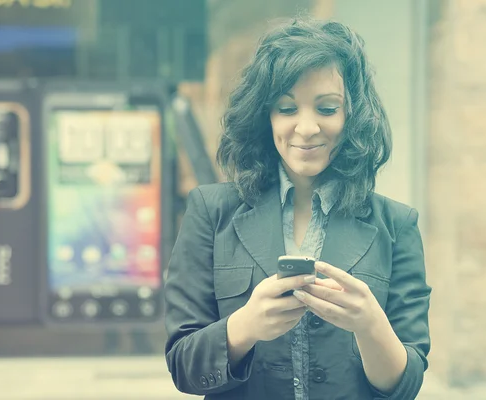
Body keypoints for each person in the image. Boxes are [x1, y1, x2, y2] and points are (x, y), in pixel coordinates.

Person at [163, 16, 431, 400]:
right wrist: (245, 326)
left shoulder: (397, 224)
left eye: (327, 108)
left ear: (351, 116)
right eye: (287, 109)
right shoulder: (211, 211)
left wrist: (371, 325)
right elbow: (183, 367)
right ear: (264, 115)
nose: (306, 129)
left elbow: (406, 386)